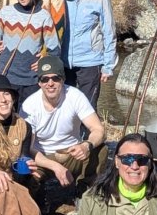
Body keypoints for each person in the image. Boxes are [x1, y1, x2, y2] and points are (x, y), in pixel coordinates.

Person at [0, 74, 65, 207]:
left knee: (32, 181)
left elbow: (22, 164)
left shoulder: (24, 127)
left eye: (6, 94)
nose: (3, 99)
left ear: (13, 98)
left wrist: (26, 169)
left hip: (12, 181)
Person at [20, 57, 107, 191]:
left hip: (71, 153)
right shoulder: (29, 105)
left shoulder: (75, 96)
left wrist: (86, 145)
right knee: (27, 176)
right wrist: (55, 167)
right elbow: (28, 149)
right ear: (39, 83)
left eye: (55, 78)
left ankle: (84, 190)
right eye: (45, 79)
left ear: (63, 79)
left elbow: (98, 129)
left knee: (101, 150)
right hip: (42, 157)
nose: (50, 83)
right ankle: (40, 195)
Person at [76, 133, 157, 215]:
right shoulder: (93, 199)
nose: (134, 166)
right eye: (127, 159)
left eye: (142, 160)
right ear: (117, 162)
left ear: (150, 163)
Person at [56, 0, 117, 109]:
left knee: (88, 109)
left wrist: (108, 66)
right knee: (65, 109)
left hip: (91, 62)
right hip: (64, 62)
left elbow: (109, 31)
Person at [0, 0, 60, 100]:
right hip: (5, 76)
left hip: (32, 80)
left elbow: (55, 49)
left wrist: (44, 60)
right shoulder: (5, 12)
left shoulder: (44, 16)